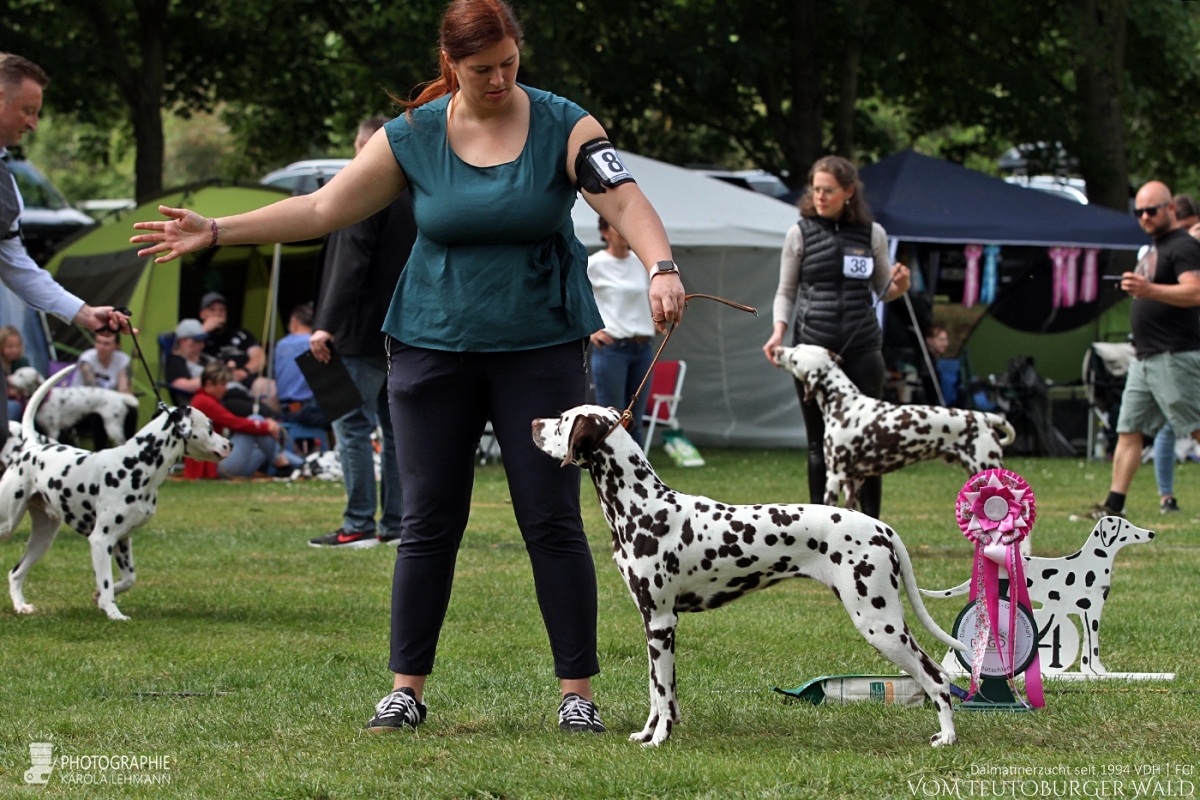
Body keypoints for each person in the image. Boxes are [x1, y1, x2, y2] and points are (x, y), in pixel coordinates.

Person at [131, 0, 685, 736]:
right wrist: (216, 231)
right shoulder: (413, 136)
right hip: (431, 347)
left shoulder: (564, 123)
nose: (498, 80)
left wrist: (662, 265)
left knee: (551, 521)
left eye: (509, 64)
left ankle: (576, 694)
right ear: (450, 64)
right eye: (482, 69)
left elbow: (624, 196)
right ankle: (406, 690)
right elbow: (324, 208)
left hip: (540, 347)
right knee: (427, 522)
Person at [762, 155, 910, 518]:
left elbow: (884, 289)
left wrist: (901, 287)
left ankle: (872, 526)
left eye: (828, 191)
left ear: (848, 192)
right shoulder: (799, 232)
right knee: (819, 442)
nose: (820, 197)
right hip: (813, 348)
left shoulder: (873, 233)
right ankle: (820, 528)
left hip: (862, 348)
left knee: (869, 441)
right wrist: (779, 331)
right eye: (815, 190)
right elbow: (786, 291)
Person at [0, 52, 130, 449]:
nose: (33, 124)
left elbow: (17, 265)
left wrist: (84, 313)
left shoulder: (7, 183)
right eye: (27, 110)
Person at [308, 115, 415, 550]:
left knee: (351, 425)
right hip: (403, 331)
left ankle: (357, 524)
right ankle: (394, 524)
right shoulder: (412, 193)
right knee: (394, 431)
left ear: (364, 145)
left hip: (354, 332)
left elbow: (349, 263)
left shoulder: (361, 190)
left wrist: (324, 325)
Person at [1091, 181, 1200, 519]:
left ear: (1170, 209)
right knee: (1129, 430)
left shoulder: (1182, 246)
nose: (1145, 217)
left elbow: (1195, 292)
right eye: (1139, 212)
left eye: (1152, 210)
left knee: (1196, 427)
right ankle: (1113, 506)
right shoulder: (1153, 249)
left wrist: (1149, 289)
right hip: (1144, 356)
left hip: (1173, 354)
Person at [1147, 193, 1200, 515]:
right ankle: (1166, 497)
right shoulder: (1164, 250)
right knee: (1171, 422)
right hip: (1175, 347)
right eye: (1188, 227)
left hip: (1188, 347)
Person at [587, 216, 656, 447]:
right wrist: (590, 331)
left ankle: (637, 472)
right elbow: (575, 295)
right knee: (613, 416)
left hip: (643, 347)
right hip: (612, 349)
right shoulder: (595, 264)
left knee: (635, 416)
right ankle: (610, 467)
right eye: (618, 229)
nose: (624, 234)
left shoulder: (640, 262)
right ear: (605, 232)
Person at [189, 362, 302, 478]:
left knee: (263, 443)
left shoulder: (202, 400)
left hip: (218, 463)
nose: (225, 388)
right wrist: (265, 426)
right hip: (214, 467)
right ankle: (293, 465)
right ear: (209, 384)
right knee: (256, 420)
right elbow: (234, 423)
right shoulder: (204, 401)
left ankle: (299, 465)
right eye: (222, 384)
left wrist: (263, 427)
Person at [76, 328, 138, 447]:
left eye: (107, 344)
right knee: (98, 413)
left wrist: (127, 397)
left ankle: (129, 449)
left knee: (131, 410)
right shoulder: (86, 360)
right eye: (98, 342)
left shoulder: (122, 360)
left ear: (116, 346)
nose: (101, 347)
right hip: (85, 407)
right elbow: (93, 393)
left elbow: (123, 390)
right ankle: (101, 452)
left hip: (109, 404)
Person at [272, 303, 326, 432]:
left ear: (294, 322)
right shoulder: (314, 343)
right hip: (310, 411)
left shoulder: (280, 345)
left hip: (285, 411)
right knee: (349, 412)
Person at [164, 318, 210, 403]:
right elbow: (181, 386)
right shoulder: (176, 361)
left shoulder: (205, 358)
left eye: (202, 341)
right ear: (183, 341)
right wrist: (215, 379)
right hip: (201, 403)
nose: (202, 345)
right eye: (197, 341)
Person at [1, 324, 29, 421]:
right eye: (10, 346)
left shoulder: (22, 363)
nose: (14, 350)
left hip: (21, 401)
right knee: (15, 407)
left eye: (17, 346)